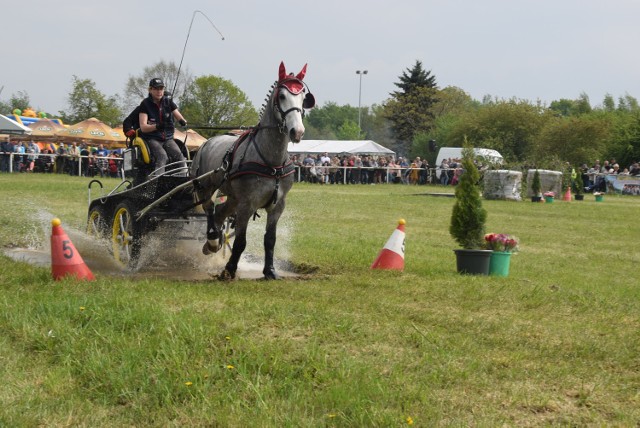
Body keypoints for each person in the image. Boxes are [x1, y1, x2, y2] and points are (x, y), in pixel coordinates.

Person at [138, 78, 187, 175]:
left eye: (161, 88)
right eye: (156, 89)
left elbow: (178, 116)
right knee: (162, 156)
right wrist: (157, 126)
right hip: (153, 139)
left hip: (168, 138)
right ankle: (157, 182)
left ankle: (183, 180)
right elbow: (143, 127)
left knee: (180, 156)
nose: (159, 91)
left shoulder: (168, 102)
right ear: (150, 90)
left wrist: (183, 121)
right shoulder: (145, 104)